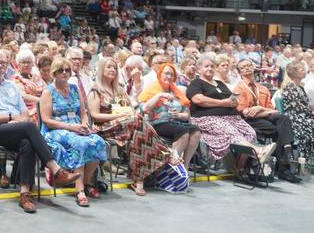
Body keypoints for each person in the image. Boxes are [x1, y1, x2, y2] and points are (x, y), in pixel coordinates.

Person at [0, 49, 81, 213]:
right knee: (30, 126)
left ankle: (24, 194)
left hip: (14, 129)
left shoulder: (11, 85)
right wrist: (10, 117)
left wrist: (17, 119)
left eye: (3, 63)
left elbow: (24, 113)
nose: (1, 66)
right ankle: (56, 169)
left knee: (27, 143)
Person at [87, 57, 171, 196]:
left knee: (138, 131)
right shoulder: (96, 90)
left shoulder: (120, 90)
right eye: (109, 67)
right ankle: (165, 152)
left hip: (127, 127)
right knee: (137, 122)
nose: (113, 70)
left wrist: (126, 117)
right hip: (105, 128)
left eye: (114, 67)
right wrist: (119, 117)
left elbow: (132, 111)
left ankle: (138, 180)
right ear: (101, 69)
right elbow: (95, 115)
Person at [39, 57, 107, 207]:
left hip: (76, 127)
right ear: (54, 73)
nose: (64, 73)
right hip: (55, 129)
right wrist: (71, 127)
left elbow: (83, 113)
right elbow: (46, 120)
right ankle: (79, 189)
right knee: (80, 144)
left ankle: (88, 183)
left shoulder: (74, 89)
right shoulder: (48, 92)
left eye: (67, 70)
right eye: (60, 70)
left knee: (97, 141)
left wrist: (84, 124)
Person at [186, 55, 276, 162]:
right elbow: (198, 100)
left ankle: (240, 168)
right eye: (206, 66)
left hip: (231, 117)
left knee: (250, 133)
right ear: (199, 69)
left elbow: (232, 98)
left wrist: (233, 102)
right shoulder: (196, 83)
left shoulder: (219, 83)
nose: (210, 68)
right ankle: (258, 152)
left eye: (212, 66)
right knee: (232, 133)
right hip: (207, 118)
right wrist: (222, 103)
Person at [232, 59, 301, 183]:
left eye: (249, 65)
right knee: (279, 130)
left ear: (254, 67)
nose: (247, 68)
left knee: (283, 119)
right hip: (248, 121)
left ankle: (285, 160)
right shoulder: (239, 88)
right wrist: (265, 111)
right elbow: (246, 112)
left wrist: (259, 108)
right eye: (243, 67)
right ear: (239, 72)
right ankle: (284, 165)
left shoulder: (263, 88)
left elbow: (273, 110)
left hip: (264, 117)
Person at [138, 63, 201, 166]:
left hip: (174, 123)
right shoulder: (152, 89)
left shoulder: (176, 91)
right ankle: (172, 165)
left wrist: (179, 115)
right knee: (183, 132)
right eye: (166, 73)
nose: (169, 77)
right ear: (160, 74)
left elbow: (187, 114)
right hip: (156, 124)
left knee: (196, 131)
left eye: (172, 74)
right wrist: (160, 95)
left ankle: (184, 166)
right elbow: (144, 108)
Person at [12, 49, 45, 120]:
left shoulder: (36, 76)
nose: (26, 65)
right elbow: (23, 97)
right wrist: (43, 100)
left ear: (32, 63)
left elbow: (47, 89)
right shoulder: (16, 79)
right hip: (28, 109)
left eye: (28, 62)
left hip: (43, 104)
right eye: (23, 62)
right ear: (18, 64)